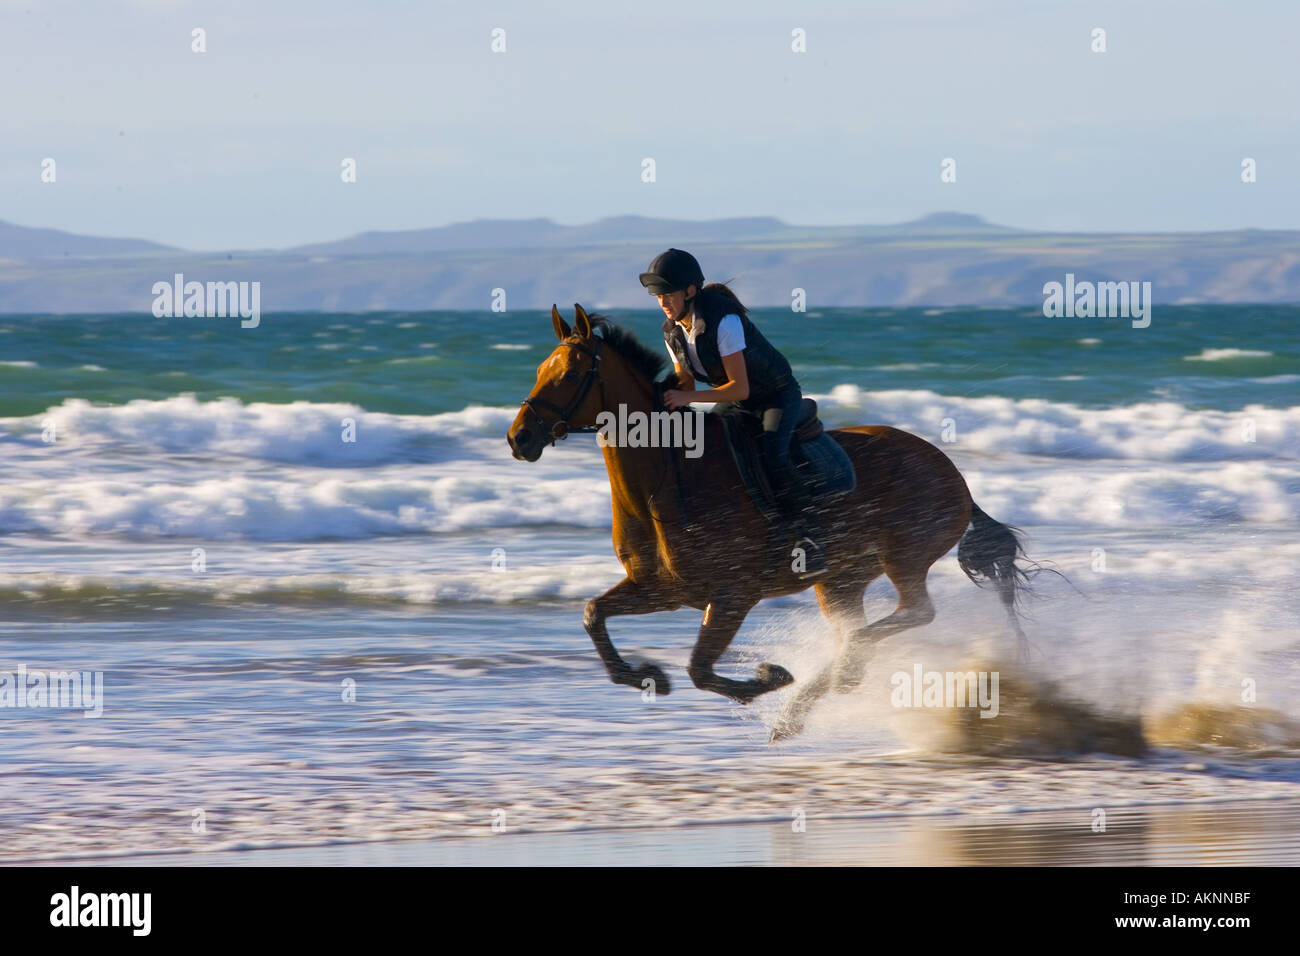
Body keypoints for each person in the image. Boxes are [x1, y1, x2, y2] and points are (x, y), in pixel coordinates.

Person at [639, 248, 827, 578]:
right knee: (713, 447)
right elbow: (684, 378)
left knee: (772, 454)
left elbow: (739, 388)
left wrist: (688, 397)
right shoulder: (672, 330)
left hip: (774, 396)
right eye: (658, 296)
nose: (663, 302)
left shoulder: (724, 321)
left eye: (668, 294)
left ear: (690, 291)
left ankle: (809, 537)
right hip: (740, 399)